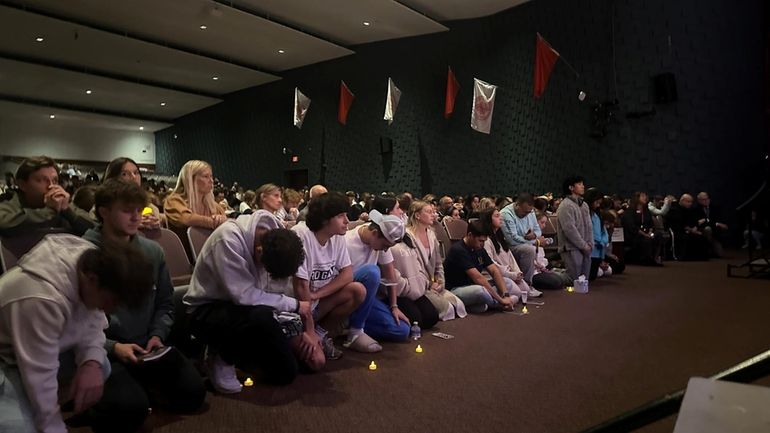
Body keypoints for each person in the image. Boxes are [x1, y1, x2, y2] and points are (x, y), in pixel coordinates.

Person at [0, 234, 154, 433]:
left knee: (101, 366)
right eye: (110, 303)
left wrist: (90, 362)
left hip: (35, 351)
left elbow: (93, 326)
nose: (107, 311)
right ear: (92, 280)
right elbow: (39, 374)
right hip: (5, 361)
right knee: (20, 429)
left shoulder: (91, 264)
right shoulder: (41, 297)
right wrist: (53, 425)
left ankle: (34, 406)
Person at [83, 179, 205, 414]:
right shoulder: (84, 253)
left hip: (148, 345)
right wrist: (112, 346)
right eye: (127, 211)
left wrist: (157, 335)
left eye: (139, 210)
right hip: (105, 350)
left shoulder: (152, 251)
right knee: (129, 410)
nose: (136, 217)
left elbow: (165, 303)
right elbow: (74, 321)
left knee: (194, 394)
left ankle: (143, 385)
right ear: (104, 212)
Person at [185, 210, 323, 394]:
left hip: (253, 312)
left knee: (287, 373)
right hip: (207, 311)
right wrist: (296, 306)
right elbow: (244, 296)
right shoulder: (228, 239)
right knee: (261, 315)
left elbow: (271, 296)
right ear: (259, 251)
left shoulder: (280, 241)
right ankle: (219, 356)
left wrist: (302, 330)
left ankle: (240, 353)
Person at [291, 192, 366, 355]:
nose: (347, 221)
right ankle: (305, 335)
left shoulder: (337, 237)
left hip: (315, 303)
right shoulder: (301, 234)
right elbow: (300, 287)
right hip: (295, 310)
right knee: (316, 362)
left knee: (357, 290)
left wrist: (318, 294)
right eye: (341, 216)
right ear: (325, 219)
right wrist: (308, 329)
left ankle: (321, 334)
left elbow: (347, 274)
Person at [344, 210, 412, 345]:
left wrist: (394, 306)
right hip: (347, 295)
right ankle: (355, 331)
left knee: (402, 330)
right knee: (372, 272)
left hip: (366, 299)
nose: (385, 250)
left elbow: (390, 275)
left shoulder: (379, 243)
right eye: (385, 246)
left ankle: (347, 325)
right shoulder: (347, 242)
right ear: (375, 234)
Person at [391, 200, 464, 322]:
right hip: (420, 285)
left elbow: (438, 263)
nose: (433, 215)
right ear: (417, 215)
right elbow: (414, 267)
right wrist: (429, 284)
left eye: (433, 212)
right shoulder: (408, 236)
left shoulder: (431, 234)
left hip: (434, 284)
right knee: (448, 309)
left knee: (459, 305)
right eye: (429, 212)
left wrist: (440, 281)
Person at [0, 156, 94, 237]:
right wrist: (50, 211)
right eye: (42, 180)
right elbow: (5, 225)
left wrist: (67, 211)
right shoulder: (8, 205)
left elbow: (93, 230)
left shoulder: (63, 205)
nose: (51, 186)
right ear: (22, 185)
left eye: (55, 180)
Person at [443, 221, 516, 313]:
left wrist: (505, 295)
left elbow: (494, 270)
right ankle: (499, 305)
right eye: (480, 241)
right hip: (455, 289)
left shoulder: (480, 248)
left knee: (507, 282)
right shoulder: (458, 250)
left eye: (484, 241)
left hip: (472, 285)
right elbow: (478, 278)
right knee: (481, 291)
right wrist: (502, 300)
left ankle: (480, 305)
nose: (482, 244)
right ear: (470, 235)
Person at [164, 160, 226, 257]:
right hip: (185, 259)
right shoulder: (174, 201)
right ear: (190, 179)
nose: (211, 181)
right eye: (206, 176)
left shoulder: (213, 206)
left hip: (211, 256)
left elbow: (227, 223)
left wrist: (224, 220)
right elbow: (186, 219)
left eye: (211, 176)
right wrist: (215, 222)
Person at [479, 208, 542, 298]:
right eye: (497, 216)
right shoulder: (486, 240)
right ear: (488, 220)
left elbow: (510, 258)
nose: (500, 218)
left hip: (508, 274)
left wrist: (517, 272)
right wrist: (511, 275)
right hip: (495, 275)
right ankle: (491, 294)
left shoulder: (500, 238)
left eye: (500, 215)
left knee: (526, 290)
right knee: (517, 292)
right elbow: (491, 264)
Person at [500, 192, 549, 286]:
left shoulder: (530, 211)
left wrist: (534, 235)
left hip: (525, 243)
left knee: (530, 248)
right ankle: (526, 285)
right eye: (524, 212)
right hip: (508, 247)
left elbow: (538, 230)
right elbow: (512, 240)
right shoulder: (506, 214)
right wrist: (536, 241)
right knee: (529, 250)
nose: (527, 214)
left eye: (529, 212)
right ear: (517, 205)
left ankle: (528, 283)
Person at [103, 157, 163, 231]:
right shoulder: (103, 207)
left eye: (136, 173)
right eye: (124, 174)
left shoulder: (152, 208)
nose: (134, 177)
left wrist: (155, 224)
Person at [556, 176, 593, 280]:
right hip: (570, 247)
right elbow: (569, 229)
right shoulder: (566, 205)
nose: (583, 186)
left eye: (582, 183)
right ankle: (552, 274)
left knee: (584, 279)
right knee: (573, 279)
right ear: (571, 187)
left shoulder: (584, 205)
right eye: (579, 184)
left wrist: (590, 243)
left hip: (585, 245)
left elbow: (589, 226)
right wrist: (583, 245)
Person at [621, 192, 665, 266]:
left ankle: (656, 258)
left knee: (658, 235)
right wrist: (645, 234)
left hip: (646, 233)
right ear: (637, 198)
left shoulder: (646, 210)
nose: (645, 197)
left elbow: (650, 223)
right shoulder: (630, 211)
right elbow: (632, 227)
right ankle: (647, 260)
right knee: (645, 239)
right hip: (634, 235)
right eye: (643, 196)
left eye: (646, 196)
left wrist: (650, 232)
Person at [532, 211, 572, 290]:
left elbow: (542, 258)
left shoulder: (540, 237)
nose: (544, 226)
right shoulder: (531, 237)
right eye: (542, 222)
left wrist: (543, 266)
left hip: (542, 269)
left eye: (545, 223)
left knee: (565, 277)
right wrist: (541, 266)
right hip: (534, 272)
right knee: (558, 281)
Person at [694, 192, 729, 257]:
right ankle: (708, 248)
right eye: (703, 199)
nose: (706, 201)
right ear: (699, 200)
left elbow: (718, 220)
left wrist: (707, 220)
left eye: (707, 199)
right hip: (702, 231)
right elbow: (699, 223)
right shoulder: (695, 209)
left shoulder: (715, 208)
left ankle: (713, 248)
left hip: (715, 232)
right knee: (708, 229)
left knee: (720, 255)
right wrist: (716, 223)